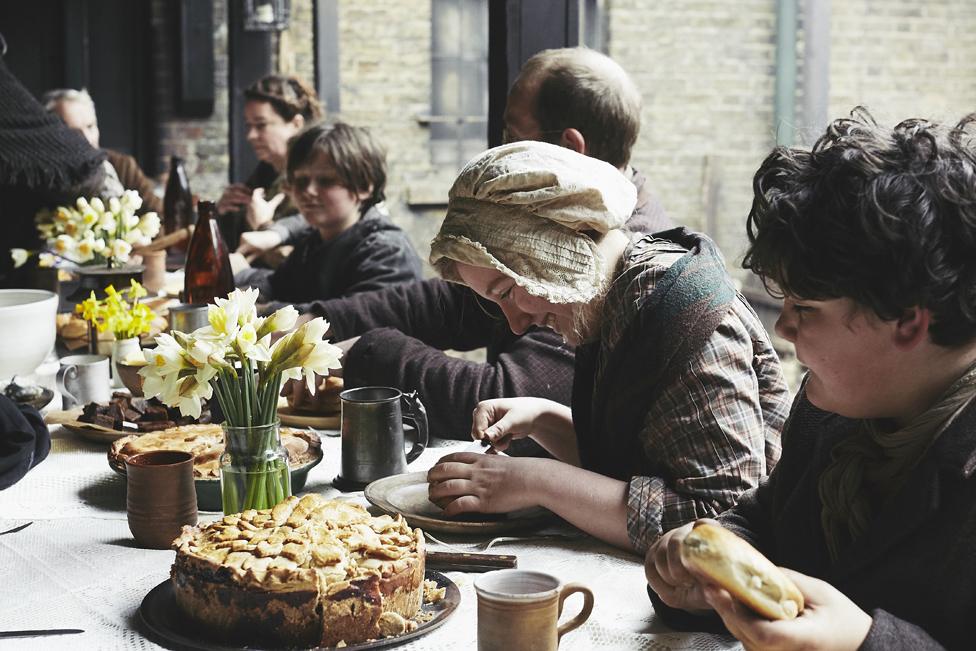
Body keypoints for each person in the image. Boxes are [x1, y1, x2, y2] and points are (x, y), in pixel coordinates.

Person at [644, 110, 976, 650]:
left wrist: (865, 643)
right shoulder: (834, 403)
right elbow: (771, 520)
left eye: (806, 307)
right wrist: (711, 555)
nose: (784, 325)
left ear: (908, 320)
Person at [285, 47, 673, 441]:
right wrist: (310, 321)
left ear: (570, 149)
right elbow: (454, 303)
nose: (496, 148)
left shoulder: (605, 255)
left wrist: (364, 355)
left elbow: (510, 398)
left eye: (511, 136)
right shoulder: (570, 225)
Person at [423, 141, 789, 553]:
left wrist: (532, 480)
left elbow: (725, 523)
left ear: (557, 250)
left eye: (508, 290)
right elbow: (636, 466)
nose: (516, 322)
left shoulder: (681, 312)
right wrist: (545, 419)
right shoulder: (611, 302)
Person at [234, 122, 422, 304]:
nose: (309, 191)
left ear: (364, 186)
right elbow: (277, 286)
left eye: (326, 181)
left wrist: (258, 309)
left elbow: (345, 319)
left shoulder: (387, 253)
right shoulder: (314, 241)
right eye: (301, 181)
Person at [0, 33, 109, 287]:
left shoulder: (118, 163)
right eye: (73, 130)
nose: (84, 137)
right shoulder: (82, 164)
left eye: (90, 126)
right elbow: (85, 169)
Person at [218, 73, 323, 260]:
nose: (250, 135)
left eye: (261, 125)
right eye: (249, 125)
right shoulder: (266, 171)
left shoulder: (318, 180)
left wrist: (264, 226)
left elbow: (307, 261)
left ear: (296, 124)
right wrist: (223, 213)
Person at [42, 88, 162, 215]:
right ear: (53, 136)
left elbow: (161, 215)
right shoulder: (43, 180)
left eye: (90, 126)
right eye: (74, 132)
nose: (87, 139)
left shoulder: (123, 166)